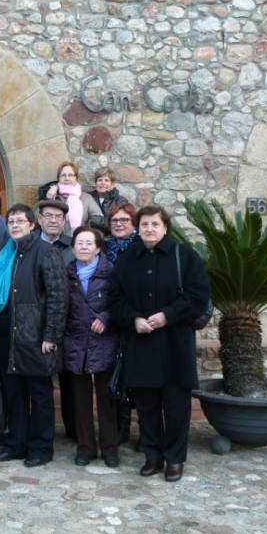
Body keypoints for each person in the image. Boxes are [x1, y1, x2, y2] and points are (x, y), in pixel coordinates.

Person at [109, 205, 211, 482]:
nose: (149, 229)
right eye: (144, 225)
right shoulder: (127, 261)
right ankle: (153, 456)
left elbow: (199, 296)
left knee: (177, 406)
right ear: (137, 228)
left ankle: (175, 459)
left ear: (165, 227)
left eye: (155, 224)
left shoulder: (185, 256)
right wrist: (133, 319)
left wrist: (169, 315)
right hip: (140, 344)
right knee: (147, 407)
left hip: (175, 343)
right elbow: (115, 300)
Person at [0, 204, 68, 468]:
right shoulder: (8, 254)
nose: (15, 225)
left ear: (34, 225)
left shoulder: (46, 252)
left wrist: (51, 336)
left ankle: (41, 448)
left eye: (21, 221)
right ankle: (16, 444)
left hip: (35, 337)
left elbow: (58, 297)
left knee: (40, 395)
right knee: (15, 394)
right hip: (7, 335)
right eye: (11, 221)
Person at [62, 226, 119, 467]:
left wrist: (106, 317)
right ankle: (85, 447)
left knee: (106, 399)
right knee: (80, 399)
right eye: (79, 243)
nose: (83, 247)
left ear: (97, 248)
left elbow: (121, 303)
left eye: (88, 243)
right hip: (75, 342)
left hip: (103, 342)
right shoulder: (65, 275)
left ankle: (110, 449)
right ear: (73, 248)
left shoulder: (111, 273)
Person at [102, 201, 141, 446]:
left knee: (140, 376)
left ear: (133, 223)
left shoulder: (140, 247)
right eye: (114, 220)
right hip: (111, 316)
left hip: (135, 318)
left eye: (123, 220)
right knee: (117, 373)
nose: (118, 224)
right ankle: (121, 428)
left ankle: (146, 432)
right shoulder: (104, 248)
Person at [37, 199, 76, 441]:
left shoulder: (73, 248)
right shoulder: (28, 247)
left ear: (64, 222)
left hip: (70, 324)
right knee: (40, 382)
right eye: (48, 215)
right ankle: (43, 432)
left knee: (70, 381)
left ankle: (73, 430)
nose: (53, 220)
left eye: (58, 217)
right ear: (39, 219)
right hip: (38, 325)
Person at [43, 161, 104, 235]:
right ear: (58, 179)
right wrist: (47, 199)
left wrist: (91, 240)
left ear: (76, 178)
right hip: (54, 243)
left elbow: (100, 223)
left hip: (80, 244)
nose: (67, 178)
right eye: (63, 175)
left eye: (71, 175)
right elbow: (38, 220)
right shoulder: (53, 196)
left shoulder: (87, 198)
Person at [88, 168, 128, 234]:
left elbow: (119, 224)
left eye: (106, 180)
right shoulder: (88, 198)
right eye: (100, 180)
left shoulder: (121, 201)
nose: (103, 183)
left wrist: (95, 220)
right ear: (95, 183)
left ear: (112, 184)